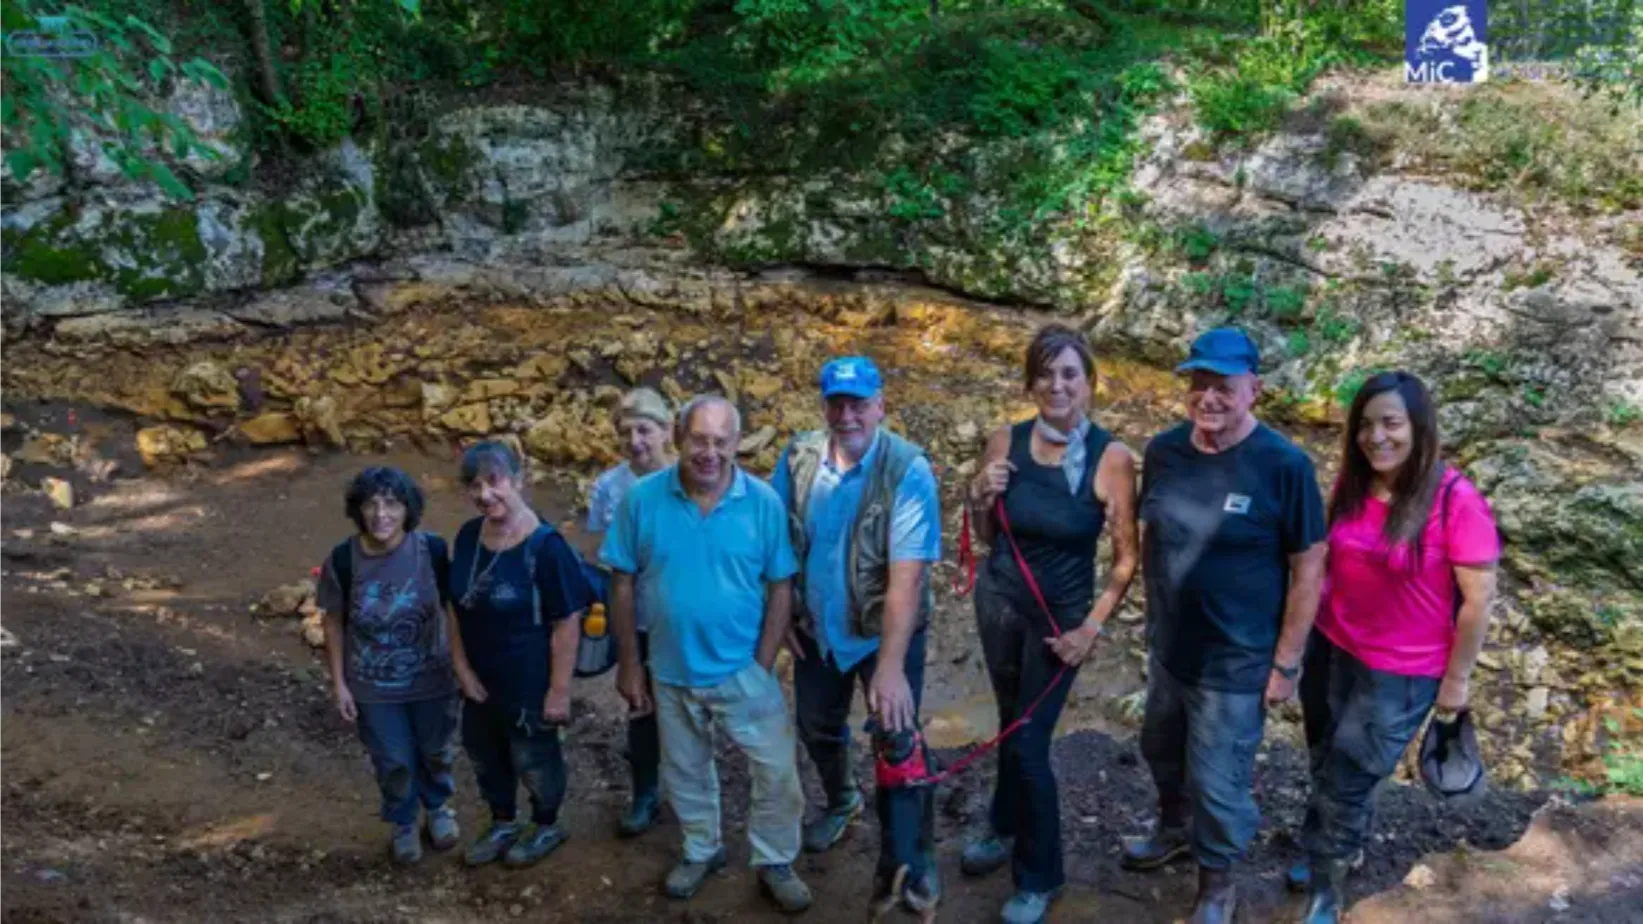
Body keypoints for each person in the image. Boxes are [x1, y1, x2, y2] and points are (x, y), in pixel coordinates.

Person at [1122, 327, 1327, 924]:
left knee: (1219, 781)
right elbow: (1150, 537)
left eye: (1224, 387)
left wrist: (1287, 662)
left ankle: (1217, 884)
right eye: (1199, 384)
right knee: (1159, 749)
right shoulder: (1164, 452)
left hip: (1238, 662)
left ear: (1253, 390)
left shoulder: (1284, 465)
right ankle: (1173, 830)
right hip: (1169, 649)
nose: (1209, 397)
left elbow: (1309, 567)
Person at [1293, 371, 1499, 924]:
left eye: (1390, 423)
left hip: (1402, 673)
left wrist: (1456, 684)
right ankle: (1338, 843)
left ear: (1418, 426)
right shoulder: (1353, 486)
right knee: (1324, 752)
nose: (1375, 436)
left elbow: (1477, 603)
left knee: (1349, 773)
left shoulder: (1456, 501)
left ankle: (1326, 887)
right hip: (1332, 646)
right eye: (1365, 424)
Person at [600, 395, 812, 913]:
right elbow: (621, 584)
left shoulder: (761, 502)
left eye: (721, 441)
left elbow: (781, 586)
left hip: (743, 668)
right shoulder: (642, 500)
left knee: (777, 771)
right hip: (669, 668)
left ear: (737, 444)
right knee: (686, 770)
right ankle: (701, 848)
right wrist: (630, 663)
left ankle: (775, 859)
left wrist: (762, 663)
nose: (709, 452)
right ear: (679, 437)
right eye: (699, 439)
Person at [962, 324, 1140, 924]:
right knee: (1011, 721)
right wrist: (978, 497)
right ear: (1030, 380)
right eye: (1045, 372)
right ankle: (1002, 822)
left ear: (1089, 383)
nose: (1056, 384)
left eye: (1069, 374)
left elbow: (1126, 557)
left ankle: (1041, 875)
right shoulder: (1003, 440)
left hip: (1059, 624)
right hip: (999, 604)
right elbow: (987, 537)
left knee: (1031, 742)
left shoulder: (1110, 457)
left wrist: (1090, 629)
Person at [768, 356, 943, 916]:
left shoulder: (907, 470)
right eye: (837, 404)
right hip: (818, 629)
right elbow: (775, 542)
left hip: (881, 633)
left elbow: (907, 577)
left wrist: (890, 669)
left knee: (897, 737)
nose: (848, 415)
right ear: (825, 407)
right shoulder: (797, 458)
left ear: (880, 406)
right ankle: (842, 799)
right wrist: (786, 609)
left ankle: (914, 859)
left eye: (858, 404)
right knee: (816, 725)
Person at [317, 466, 485, 865]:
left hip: (433, 679)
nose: (381, 514)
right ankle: (404, 820)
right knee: (392, 760)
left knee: (436, 750)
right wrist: (339, 683)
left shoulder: (432, 551)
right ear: (357, 510)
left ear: (408, 508)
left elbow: (454, 611)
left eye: (391, 503)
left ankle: (439, 806)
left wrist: (462, 668)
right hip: (373, 686)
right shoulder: (343, 560)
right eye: (370, 503)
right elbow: (333, 621)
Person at [449, 440, 597, 869]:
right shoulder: (467, 536)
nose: (485, 494)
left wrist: (559, 691)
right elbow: (454, 606)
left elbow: (566, 622)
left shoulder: (546, 548)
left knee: (533, 758)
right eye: (474, 486)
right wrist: (461, 669)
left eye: (494, 481)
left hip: (529, 682)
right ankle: (503, 821)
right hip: (479, 680)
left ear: (517, 479)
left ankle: (547, 823)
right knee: (485, 756)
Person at [583, 387, 676, 837]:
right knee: (641, 703)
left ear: (667, 430)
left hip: (684, 616)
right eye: (626, 432)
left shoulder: (692, 477)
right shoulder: (609, 487)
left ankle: (696, 794)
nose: (636, 441)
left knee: (693, 704)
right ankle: (645, 792)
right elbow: (601, 554)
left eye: (645, 429)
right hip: (635, 616)